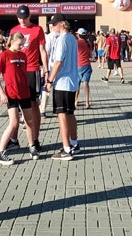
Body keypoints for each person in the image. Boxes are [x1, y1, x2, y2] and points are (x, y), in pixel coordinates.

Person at [0, 31, 37, 165]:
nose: (21, 47)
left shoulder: (23, 55)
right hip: (11, 94)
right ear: (12, 41)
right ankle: (0, 152)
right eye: (19, 44)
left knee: (29, 120)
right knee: (14, 123)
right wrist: (2, 93)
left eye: (23, 45)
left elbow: (22, 73)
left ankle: (32, 146)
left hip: (24, 92)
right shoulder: (5, 55)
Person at [9, 5, 49, 153]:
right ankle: (13, 140)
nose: (22, 20)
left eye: (25, 17)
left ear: (29, 16)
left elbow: (42, 51)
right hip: (16, 71)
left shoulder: (37, 30)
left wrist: (46, 69)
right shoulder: (13, 30)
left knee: (33, 105)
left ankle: (35, 139)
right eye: (20, 17)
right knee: (14, 105)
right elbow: (9, 51)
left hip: (32, 70)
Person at [45, 14, 80, 160]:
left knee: (62, 115)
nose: (52, 27)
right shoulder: (73, 38)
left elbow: (58, 62)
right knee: (70, 113)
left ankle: (66, 149)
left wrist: (49, 80)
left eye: (54, 24)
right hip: (72, 81)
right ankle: (74, 143)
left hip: (62, 81)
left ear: (61, 24)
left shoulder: (62, 40)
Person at [75, 29, 92, 109]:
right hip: (87, 65)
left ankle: (75, 101)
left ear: (78, 35)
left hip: (78, 65)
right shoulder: (88, 43)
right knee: (86, 84)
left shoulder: (77, 42)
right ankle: (87, 102)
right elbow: (90, 55)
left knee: (77, 85)